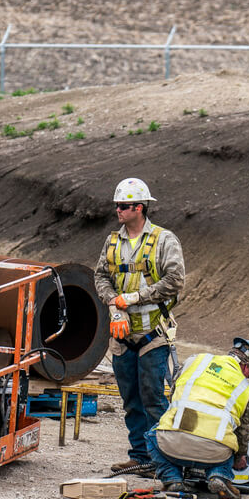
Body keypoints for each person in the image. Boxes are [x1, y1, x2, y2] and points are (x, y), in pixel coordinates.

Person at [94, 177, 186, 476]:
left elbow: (174, 280)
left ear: (140, 208)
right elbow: (101, 277)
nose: (118, 211)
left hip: (152, 335)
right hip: (122, 337)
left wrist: (135, 297)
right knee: (132, 401)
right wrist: (113, 304)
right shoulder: (113, 242)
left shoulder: (163, 240)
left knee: (154, 400)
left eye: (123, 206)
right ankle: (140, 456)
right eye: (117, 206)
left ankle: (162, 461)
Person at [146, 338, 249, 499]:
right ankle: (219, 475)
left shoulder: (195, 361)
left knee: (151, 435)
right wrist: (240, 457)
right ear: (246, 367)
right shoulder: (246, 389)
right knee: (231, 441)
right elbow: (243, 434)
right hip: (215, 453)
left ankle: (171, 478)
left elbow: (173, 395)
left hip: (172, 444)